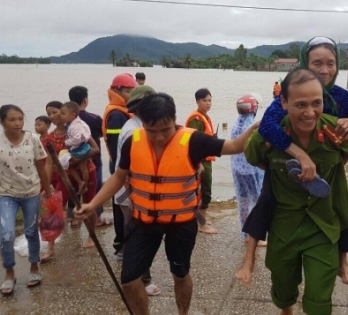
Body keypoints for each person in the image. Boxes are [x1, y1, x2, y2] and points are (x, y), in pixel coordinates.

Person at [73, 92, 260, 315]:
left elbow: (236, 146)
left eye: (165, 130)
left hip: (181, 223)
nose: (159, 137)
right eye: (152, 131)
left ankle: (183, 312)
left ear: (174, 120)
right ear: (143, 123)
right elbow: (118, 177)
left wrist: (256, 127)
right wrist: (92, 204)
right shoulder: (134, 140)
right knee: (130, 280)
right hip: (143, 221)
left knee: (180, 274)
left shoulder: (194, 141)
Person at [239, 36, 348, 287]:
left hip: (328, 163)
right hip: (288, 161)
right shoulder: (288, 96)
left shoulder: (341, 97)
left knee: (340, 205)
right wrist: (298, 155)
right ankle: (249, 259)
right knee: (266, 200)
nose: (324, 70)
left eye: (330, 63)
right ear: (303, 64)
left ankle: (343, 263)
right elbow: (267, 127)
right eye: (316, 63)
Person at [245, 68, 348, 315]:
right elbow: (255, 158)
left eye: (316, 103)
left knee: (320, 295)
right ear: (283, 102)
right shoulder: (267, 138)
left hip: (323, 227)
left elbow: (347, 156)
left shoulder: (335, 133)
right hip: (284, 226)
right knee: (283, 288)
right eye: (300, 104)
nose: (310, 113)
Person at [0, 105, 52, 295]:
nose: (17, 123)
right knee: (6, 235)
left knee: (31, 232)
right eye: (12, 119)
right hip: (6, 194)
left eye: (20, 119)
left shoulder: (33, 140)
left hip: (31, 193)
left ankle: (34, 268)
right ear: (2, 122)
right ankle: (9, 273)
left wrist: (47, 192)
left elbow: (42, 166)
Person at [113, 84, 160, 295]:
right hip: (130, 193)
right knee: (138, 236)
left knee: (139, 234)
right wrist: (135, 197)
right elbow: (126, 172)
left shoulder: (143, 126)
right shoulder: (133, 130)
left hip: (138, 192)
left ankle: (138, 276)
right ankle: (142, 280)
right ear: (140, 108)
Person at [44, 101, 101, 251]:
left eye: (55, 112)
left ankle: (91, 236)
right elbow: (49, 164)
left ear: (65, 113)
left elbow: (95, 149)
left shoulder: (77, 128)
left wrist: (76, 160)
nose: (52, 116)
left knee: (89, 205)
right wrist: (44, 185)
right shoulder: (50, 138)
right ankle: (50, 246)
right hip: (65, 176)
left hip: (88, 171)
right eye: (49, 114)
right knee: (55, 206)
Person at [102, 73, 136, 255]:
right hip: (119, 165)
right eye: (128, 91)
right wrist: (123, 172)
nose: (130, 95)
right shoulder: (116, 114)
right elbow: (117, 146)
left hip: (118, 164)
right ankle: (121, 245)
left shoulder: (120, 110)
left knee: (122, 204)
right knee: (120, 206)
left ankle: (124, 243)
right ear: (116, 91)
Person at [68, 86, 109, 226]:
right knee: (94, 190)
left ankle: (74, 219)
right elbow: (103, 134)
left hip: (71, 160)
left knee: (74, 188)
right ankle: (97, 219)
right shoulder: (94, 118)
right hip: (93, 161)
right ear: (85, 100)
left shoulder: (67, 119)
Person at [230, 94, 264, 243]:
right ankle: (255, 236)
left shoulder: (235, 125)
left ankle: (245, 234)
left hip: (237, 170)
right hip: (252, 170)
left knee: (243, 201)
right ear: (254, 109)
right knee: (257, 202)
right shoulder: (254, 126)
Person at [185, 88, 217, 234]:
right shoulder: (196, 119)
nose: (208, 103)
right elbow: (193, 143)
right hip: (201, 162)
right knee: (204, 191)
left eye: (209, 100)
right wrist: (198, 163)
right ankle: (202, 225)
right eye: (204, 100)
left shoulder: (204, 116)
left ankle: (201, 219)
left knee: (204, 189)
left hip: (206, 160)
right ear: (197, 101)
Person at [60, 101, 92, 195]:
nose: (61, 116)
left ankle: (83, 184)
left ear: (73, 115)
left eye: (63, 114)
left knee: (79, 167)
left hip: (79, 149)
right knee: (77, 167)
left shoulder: (75, 126)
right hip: (83, 147)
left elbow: (76, 139)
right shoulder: (77, 123)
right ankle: (82, 183)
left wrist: (67, 142)